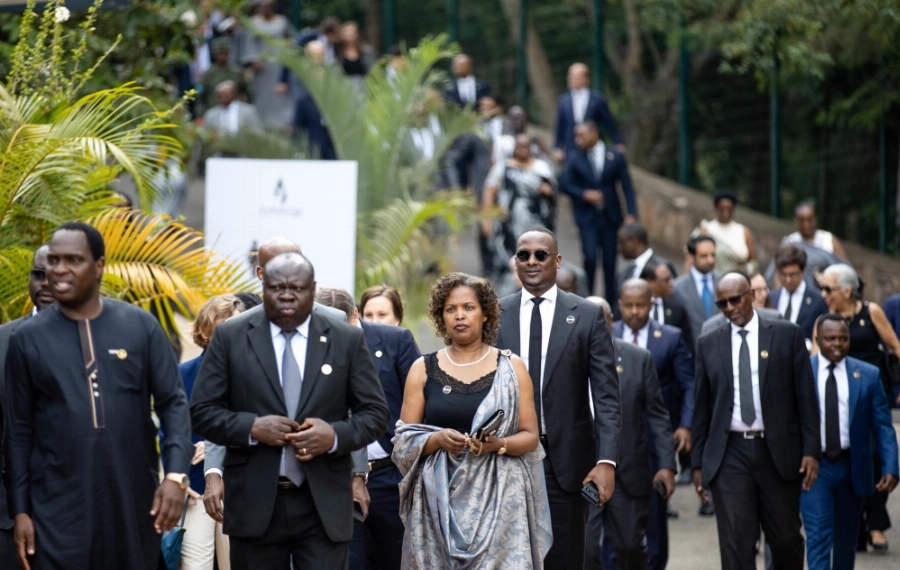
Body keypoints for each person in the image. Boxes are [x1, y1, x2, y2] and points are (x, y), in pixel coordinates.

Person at [5, 223, 193, 569]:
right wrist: (20, 509)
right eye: (55, 260)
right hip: (56, 508)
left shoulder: (140, 327)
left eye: (73, 260)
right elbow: (18, 431)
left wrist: (176, 475)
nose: (59, 270)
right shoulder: (26, 340)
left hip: (132, 501)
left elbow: (173, 404)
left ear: (99, 266)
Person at [190, 252, 389, 569]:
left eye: (296, 287)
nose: (286, 295)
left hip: (322, 502)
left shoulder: (345, 338)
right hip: (254, 503)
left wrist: (334, 436)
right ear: (262, 285)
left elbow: (375, 413)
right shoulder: (232, 336)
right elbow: (202, 411)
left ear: (312, 288)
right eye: (276, 287)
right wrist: (251, 428)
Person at [392, 272, 551, 568]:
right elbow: (403, 441)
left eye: (468, 307)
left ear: (485, 313)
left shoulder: (512, 367)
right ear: (441, 316)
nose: (459, 316)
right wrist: (436, 439)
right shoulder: (422, 368)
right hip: (439, 504)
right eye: (450, 309)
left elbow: (531, 436)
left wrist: (498, 444)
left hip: (502, 502)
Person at [495, 227, 621, 570]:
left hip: (565, 464)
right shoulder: (495, 315)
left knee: (563, 560)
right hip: (507, 461)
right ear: (515, 262)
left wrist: (606, 461)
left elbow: (607, 397)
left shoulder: (586, 315)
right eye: (524, 255)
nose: (532, 261)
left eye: (541, 255)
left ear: (558, 260)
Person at [692, 271, 820, 570]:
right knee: (736, 541)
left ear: (751, 294)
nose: (730, 308)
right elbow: (701, 407)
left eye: (735, 299)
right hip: (730, 452)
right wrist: (697, 463)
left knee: (786, 539)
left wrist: (812, 449)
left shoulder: (786, 333)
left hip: (777, 450)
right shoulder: (708, 343)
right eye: (722, 303)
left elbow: (805, 396)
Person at [316, 287, 421, 570]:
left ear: (355, 315)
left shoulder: (395, 341)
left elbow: (421, 406)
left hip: (391, 475)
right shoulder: (310, 348)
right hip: (336, 477)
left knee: (395, 560)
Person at [585, 296, 676, 570]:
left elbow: (658, 416)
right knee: (586, 551)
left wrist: (667, 465)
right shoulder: (567, 360)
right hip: (582, 474)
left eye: (601, 320)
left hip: (626, 473)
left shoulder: (638, 358)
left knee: (629, 547)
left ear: (612, 322)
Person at [802, 314, 899, 570]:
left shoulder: (867, 375)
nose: (837, 344)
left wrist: (891, 466)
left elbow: (882, 426)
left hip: (852, 467)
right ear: (818, 340)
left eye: (843, 339)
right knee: (819, 535)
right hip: (815, 469)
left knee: (846, 541)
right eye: (830, 339)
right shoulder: (802, 372)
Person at [817, 263, 900, 551]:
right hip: (840, 400)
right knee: (853, 459)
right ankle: (857, 527)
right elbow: (815, 360)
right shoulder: (825, 319)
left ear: (847, 290)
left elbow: (895, 346)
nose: (823, 293)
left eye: (828, 288)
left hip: (871, 393)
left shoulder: (871, 312)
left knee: (877, 457)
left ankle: (876, 524)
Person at [612, 279, 693, 569]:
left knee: (654, 523)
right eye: (628, 305)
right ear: (619, 305)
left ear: (652, 304)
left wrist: (684, 425)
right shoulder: (606, 336)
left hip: (653, 444)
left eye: (640, 305)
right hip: (617, 445)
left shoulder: (669, 337)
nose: (634, 311)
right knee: (618, 535)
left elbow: (688, 385)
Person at [177, 295, 246, 570]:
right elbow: (172, 430)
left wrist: (219, 445)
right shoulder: (183, 373)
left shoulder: (256, 373)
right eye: (225, 324)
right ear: (206, 329)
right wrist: (177, 479)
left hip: (243, 487)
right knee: (196, 565)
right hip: (194, 488)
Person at [0, 245, 53, 562]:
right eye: (38, 275)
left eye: (54, 275)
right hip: (6, 519)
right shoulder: (2, 341)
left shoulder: (98, 342)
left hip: (75, 517)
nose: (45, 283)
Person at [563, 121, 637, 297]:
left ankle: (610, 301)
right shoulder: (575, 157)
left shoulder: (615, 155)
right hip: (587, 217)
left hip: (610, 217)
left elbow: (626, 185)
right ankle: (588, 298)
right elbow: (565, 184)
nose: (577, 140)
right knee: (589, 256)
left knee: (610, 260)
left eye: (581, 135)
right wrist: (584, 194)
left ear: (594, 133)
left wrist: (632, 213)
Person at [481, 133, 556, 281]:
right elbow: (489, 190)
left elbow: (554, 195)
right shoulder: (503, 167)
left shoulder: (541, 167)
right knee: (506, 264)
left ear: (531, 148)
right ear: (514, 148)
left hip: (535, 225)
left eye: (526, 146)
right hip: (507, 226)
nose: (523, 149)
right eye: (519, 146)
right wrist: (487, 219)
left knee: (535, 262)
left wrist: (547, 191)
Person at [240, 0, 295, 131]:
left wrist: (286, 50)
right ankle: (262, 124)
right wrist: (254, 59)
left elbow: (291, 39)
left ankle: (282, 123)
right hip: (262, 68)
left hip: (279, 64)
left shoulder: (282, 21)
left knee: (281, 93)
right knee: (262, 95)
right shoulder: (253, 23)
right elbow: (248, 45)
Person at [552, 63, 624, 161]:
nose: (572, 79)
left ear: (586, 79)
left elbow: (609, 122)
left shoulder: (597, 99)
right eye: (570, 75)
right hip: (571, 149)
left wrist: (618, 142)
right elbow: (560, 125)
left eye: (576, 76)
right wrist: (557, 147)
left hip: (593, 148)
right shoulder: (563, 101)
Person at [770, 244, 828, 341]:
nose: (788, 280)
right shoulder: (771, 298)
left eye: (793, 275)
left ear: (803, 270)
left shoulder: (819, 300)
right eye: (783, 275)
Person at [672, 235, 721, 348]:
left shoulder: (724, 282)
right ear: (691, 257)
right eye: (704, 256)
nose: (710, 260)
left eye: (713, 255)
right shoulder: (678, 288)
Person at [692, 191, 757, 274]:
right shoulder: (706, 229)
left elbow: (754, 261)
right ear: (715, 208)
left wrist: (747, 268)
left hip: (738, 279)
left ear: (734, 209)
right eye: (721, 209)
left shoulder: (743, 231)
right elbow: (690, 254)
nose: (726, 213)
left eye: (729, 210)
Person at [292, 41, 337, 160]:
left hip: (334, 150)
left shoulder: (332, 72)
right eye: (314, 55)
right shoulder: (298, 75)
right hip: (312, 150)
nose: (318, 59)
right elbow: (298, 129)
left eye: (321, 55)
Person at [640, 261, 693, 353]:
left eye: (671, 278)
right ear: (649, 282)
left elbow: (687, 345)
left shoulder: (677, 310)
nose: (671, 283)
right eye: (665, 280)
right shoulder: (632, 309)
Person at [197, 37, 251, 117]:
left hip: (235, 113)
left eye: (224, 53)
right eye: (219, 53)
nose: (222, 56)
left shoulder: (237, 72)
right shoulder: (208, 74)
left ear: (228, 53)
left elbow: (248, 92)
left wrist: (245, 109)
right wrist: (200, 114)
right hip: (214, 112)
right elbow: (200, 95)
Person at [783, 201, 847, 260]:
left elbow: (845, 267)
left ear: (816, 219)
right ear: (796, 220)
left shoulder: (829, 240)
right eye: (801, 221)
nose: (806, 225)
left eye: (810, 220)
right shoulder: (790, 242)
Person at [336, 21, 376, 93]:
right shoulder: (337, 52)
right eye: (346, 32)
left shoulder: (367, 51)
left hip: (364, 88)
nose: (348, 34)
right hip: (345, 89)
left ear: (357, 34)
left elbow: (373, 71)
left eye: (351, 32)